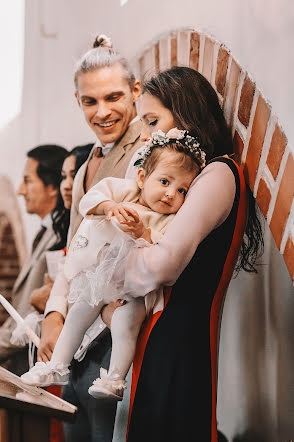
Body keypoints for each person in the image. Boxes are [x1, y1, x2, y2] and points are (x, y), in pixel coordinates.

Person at [100, 66, 263, 442]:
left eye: (153, 120)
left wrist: (107, 275)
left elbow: (162, 266)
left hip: (176, 340)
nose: (145, 134)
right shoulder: (201, 176)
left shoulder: (219, 174)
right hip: (160, 333)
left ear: (187, 114)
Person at [21, 129, 205, 403]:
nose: (170, 194)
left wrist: (143, 232)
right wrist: (108, 207)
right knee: (77, 315)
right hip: (100, 277)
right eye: (165, 181)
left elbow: (165, 249)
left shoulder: (169, 220)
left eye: (182, 190)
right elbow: (88, 201)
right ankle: (56, 366)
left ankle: (115, 378)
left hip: (134, 291)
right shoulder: (125, 191)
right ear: (143, 178)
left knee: (124, 325)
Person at [38, 34, 142, 441]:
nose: (102, 112)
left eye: (114, 97)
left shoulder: (146, 153)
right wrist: (54, 314)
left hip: (112, 333)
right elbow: (75, 248)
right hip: (75, 335)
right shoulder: (84, 167)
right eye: (90, 101)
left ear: (135, 91)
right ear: (77, 100)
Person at [0, 144, 68, 376]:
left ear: (52, 187)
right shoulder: (45, 233)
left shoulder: (61, 237)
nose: (20, 190)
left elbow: (30, 314)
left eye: (27, 181)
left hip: (37, 367)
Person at [29, 144, 93, 315]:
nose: (66, 185)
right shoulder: (62, 228)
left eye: (75, 176)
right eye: (63, 177)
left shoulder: (93, 228)